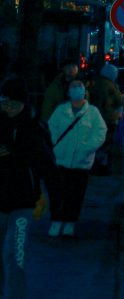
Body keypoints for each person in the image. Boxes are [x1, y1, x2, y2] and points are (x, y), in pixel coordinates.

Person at [1, 76, 56, 299]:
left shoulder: (34, 126)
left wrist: (55, 197)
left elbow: (46, 163)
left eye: (14, 103)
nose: (9, 107)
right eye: (5, 102)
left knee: (15, 254)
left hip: (23, 202)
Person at [47, 79, 106, 238]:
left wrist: (87, 148)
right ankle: (56, 220)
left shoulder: (93, 112)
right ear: (68, 92)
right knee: (58, 192)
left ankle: (70, 222)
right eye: (73, 87)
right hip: (61, 160)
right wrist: (57, 146)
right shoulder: (61, 110)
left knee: (76, 194)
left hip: (82, 163)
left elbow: (100, 133)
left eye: (79, 87)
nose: (76, 90)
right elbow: (51, 129)